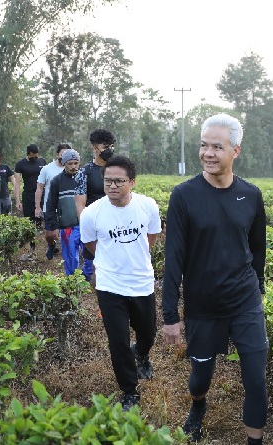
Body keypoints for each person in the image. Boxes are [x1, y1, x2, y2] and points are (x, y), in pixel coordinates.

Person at [161, 113, 268, 444]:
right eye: (203, 145)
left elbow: (257, 250)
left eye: (216, 147)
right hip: (202, 305)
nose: (207, 153)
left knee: (255, 380)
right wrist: (170, 316)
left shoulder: (251, 195)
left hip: (244, 302)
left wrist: (258, 290)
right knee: (200, 379)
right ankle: (198, 406)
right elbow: (174, 256)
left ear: (235, 151)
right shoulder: (184, 195)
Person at [79, 155, 161, 412]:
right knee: (118, 340)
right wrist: (111, 261)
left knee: (147, 332)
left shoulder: (148, 206)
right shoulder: (92, 213)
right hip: (109, 285)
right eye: (107, 181)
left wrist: (134, 259)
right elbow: (91, 246)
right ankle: (129, 391)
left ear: (132, 182)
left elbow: (152, 236)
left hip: (141, 282)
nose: (112, 186)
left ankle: (143, 353)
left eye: (118, 181)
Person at [74, 128, 116, 281]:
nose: (109, 150)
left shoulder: (117, 170)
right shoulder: (85, 173)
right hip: (96, 227)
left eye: (111, 146)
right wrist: (86, 232)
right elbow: (80, 205)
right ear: (95, 147)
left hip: (117, 226)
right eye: (105, 147)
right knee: (95, 271)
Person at [45, 149, 82, 276]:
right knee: (70, 255)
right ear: (64, 164)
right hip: (67, 226)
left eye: (75, 163)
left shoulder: (84, 178)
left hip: (85, 225)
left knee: (89, 255)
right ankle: (71, 280)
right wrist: (54, 226)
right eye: (70, 163)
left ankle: (88, 280)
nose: (73, 166)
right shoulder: (57, 181)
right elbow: (50, 206)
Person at [35, 143, 67, 260]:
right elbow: (39, 188)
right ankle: (51, 244)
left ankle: (66, 252)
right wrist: (37, 207)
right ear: (57, 154)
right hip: (49, 207)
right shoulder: (47, 169)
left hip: (66, 208)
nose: (64, 156)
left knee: (64, 233)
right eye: (62, 153)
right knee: (49, 235)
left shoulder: (71, 169)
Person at [15, 144, 47, 260]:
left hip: (42, 195)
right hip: (28, 195)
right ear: (28, 153)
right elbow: (17, 184)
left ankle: (50, 245)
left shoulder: (42, 161)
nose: (36, 157)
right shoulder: (20, 164)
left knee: (44, 220)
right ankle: (32, 248)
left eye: (37, 154)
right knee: (30, 223)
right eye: (34, 155)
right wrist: (18, 200)